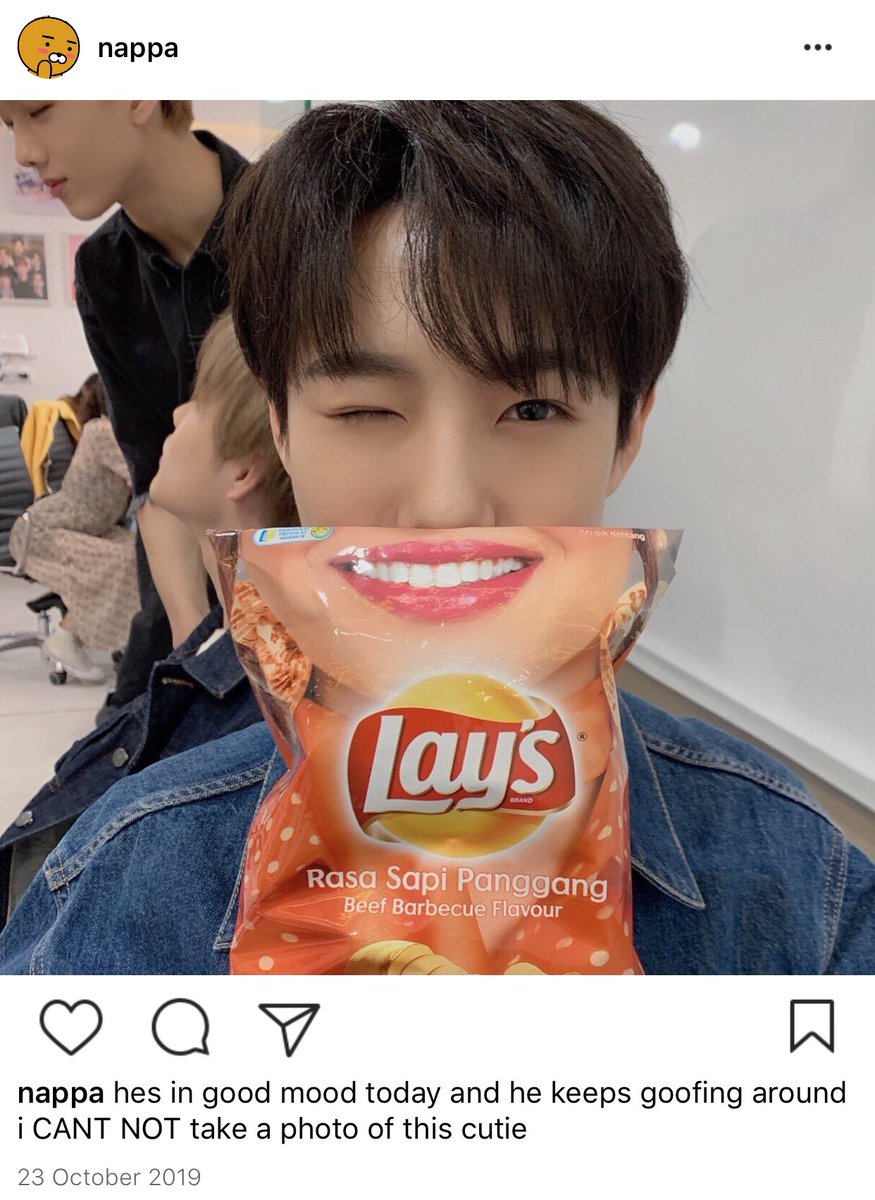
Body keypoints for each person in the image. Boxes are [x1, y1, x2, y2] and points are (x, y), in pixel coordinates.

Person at [1, 101, 872, 975]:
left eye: (533, 409)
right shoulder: (130, 883)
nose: (448, 505)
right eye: (364, 411)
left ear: (628, 430)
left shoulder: (799, 890)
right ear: (281, 428)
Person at [0, 313, 297, 929]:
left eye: (200, 402)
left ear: (243, 469)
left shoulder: (247, 730)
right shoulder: (217, 648)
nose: (176, 413)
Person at [0, 100, 249, 716]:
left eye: (39, 111)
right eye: (9, 126)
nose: (24, 153)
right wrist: (197, 653)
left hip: (320, 579)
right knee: (121, 748)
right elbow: (154, 481)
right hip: (184, 588)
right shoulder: (103, 269)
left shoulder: (300, 221)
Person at [10, 375, 137, 683]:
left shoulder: (115, 434)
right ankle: (66, 637)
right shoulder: (102, 432)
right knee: (123, 561)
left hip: (88, 529)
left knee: (144, 555)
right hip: (41, 532)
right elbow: (144, 475)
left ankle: (133, 642)